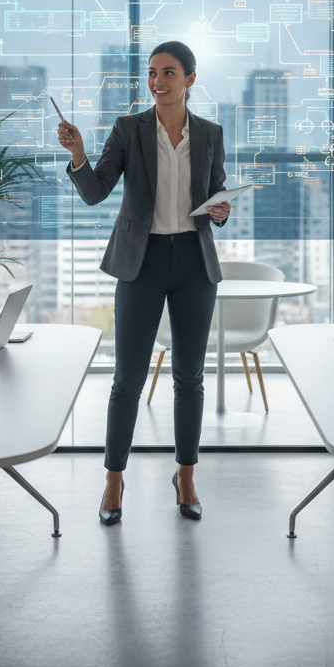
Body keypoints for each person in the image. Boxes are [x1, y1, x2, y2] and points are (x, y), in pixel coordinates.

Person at [57, 41, 230, 524]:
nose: (158, 81)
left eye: (169, 73)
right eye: (153, 73)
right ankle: (113, 481)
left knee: (189, 378)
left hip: (195, 263)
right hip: (142, 262)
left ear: (190, 79)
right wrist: (78, 154)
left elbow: (216, 193)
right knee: (127, 379)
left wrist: (221, 208)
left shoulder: (211, 133)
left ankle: (186, 476)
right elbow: (95, 193)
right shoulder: (129, 129)